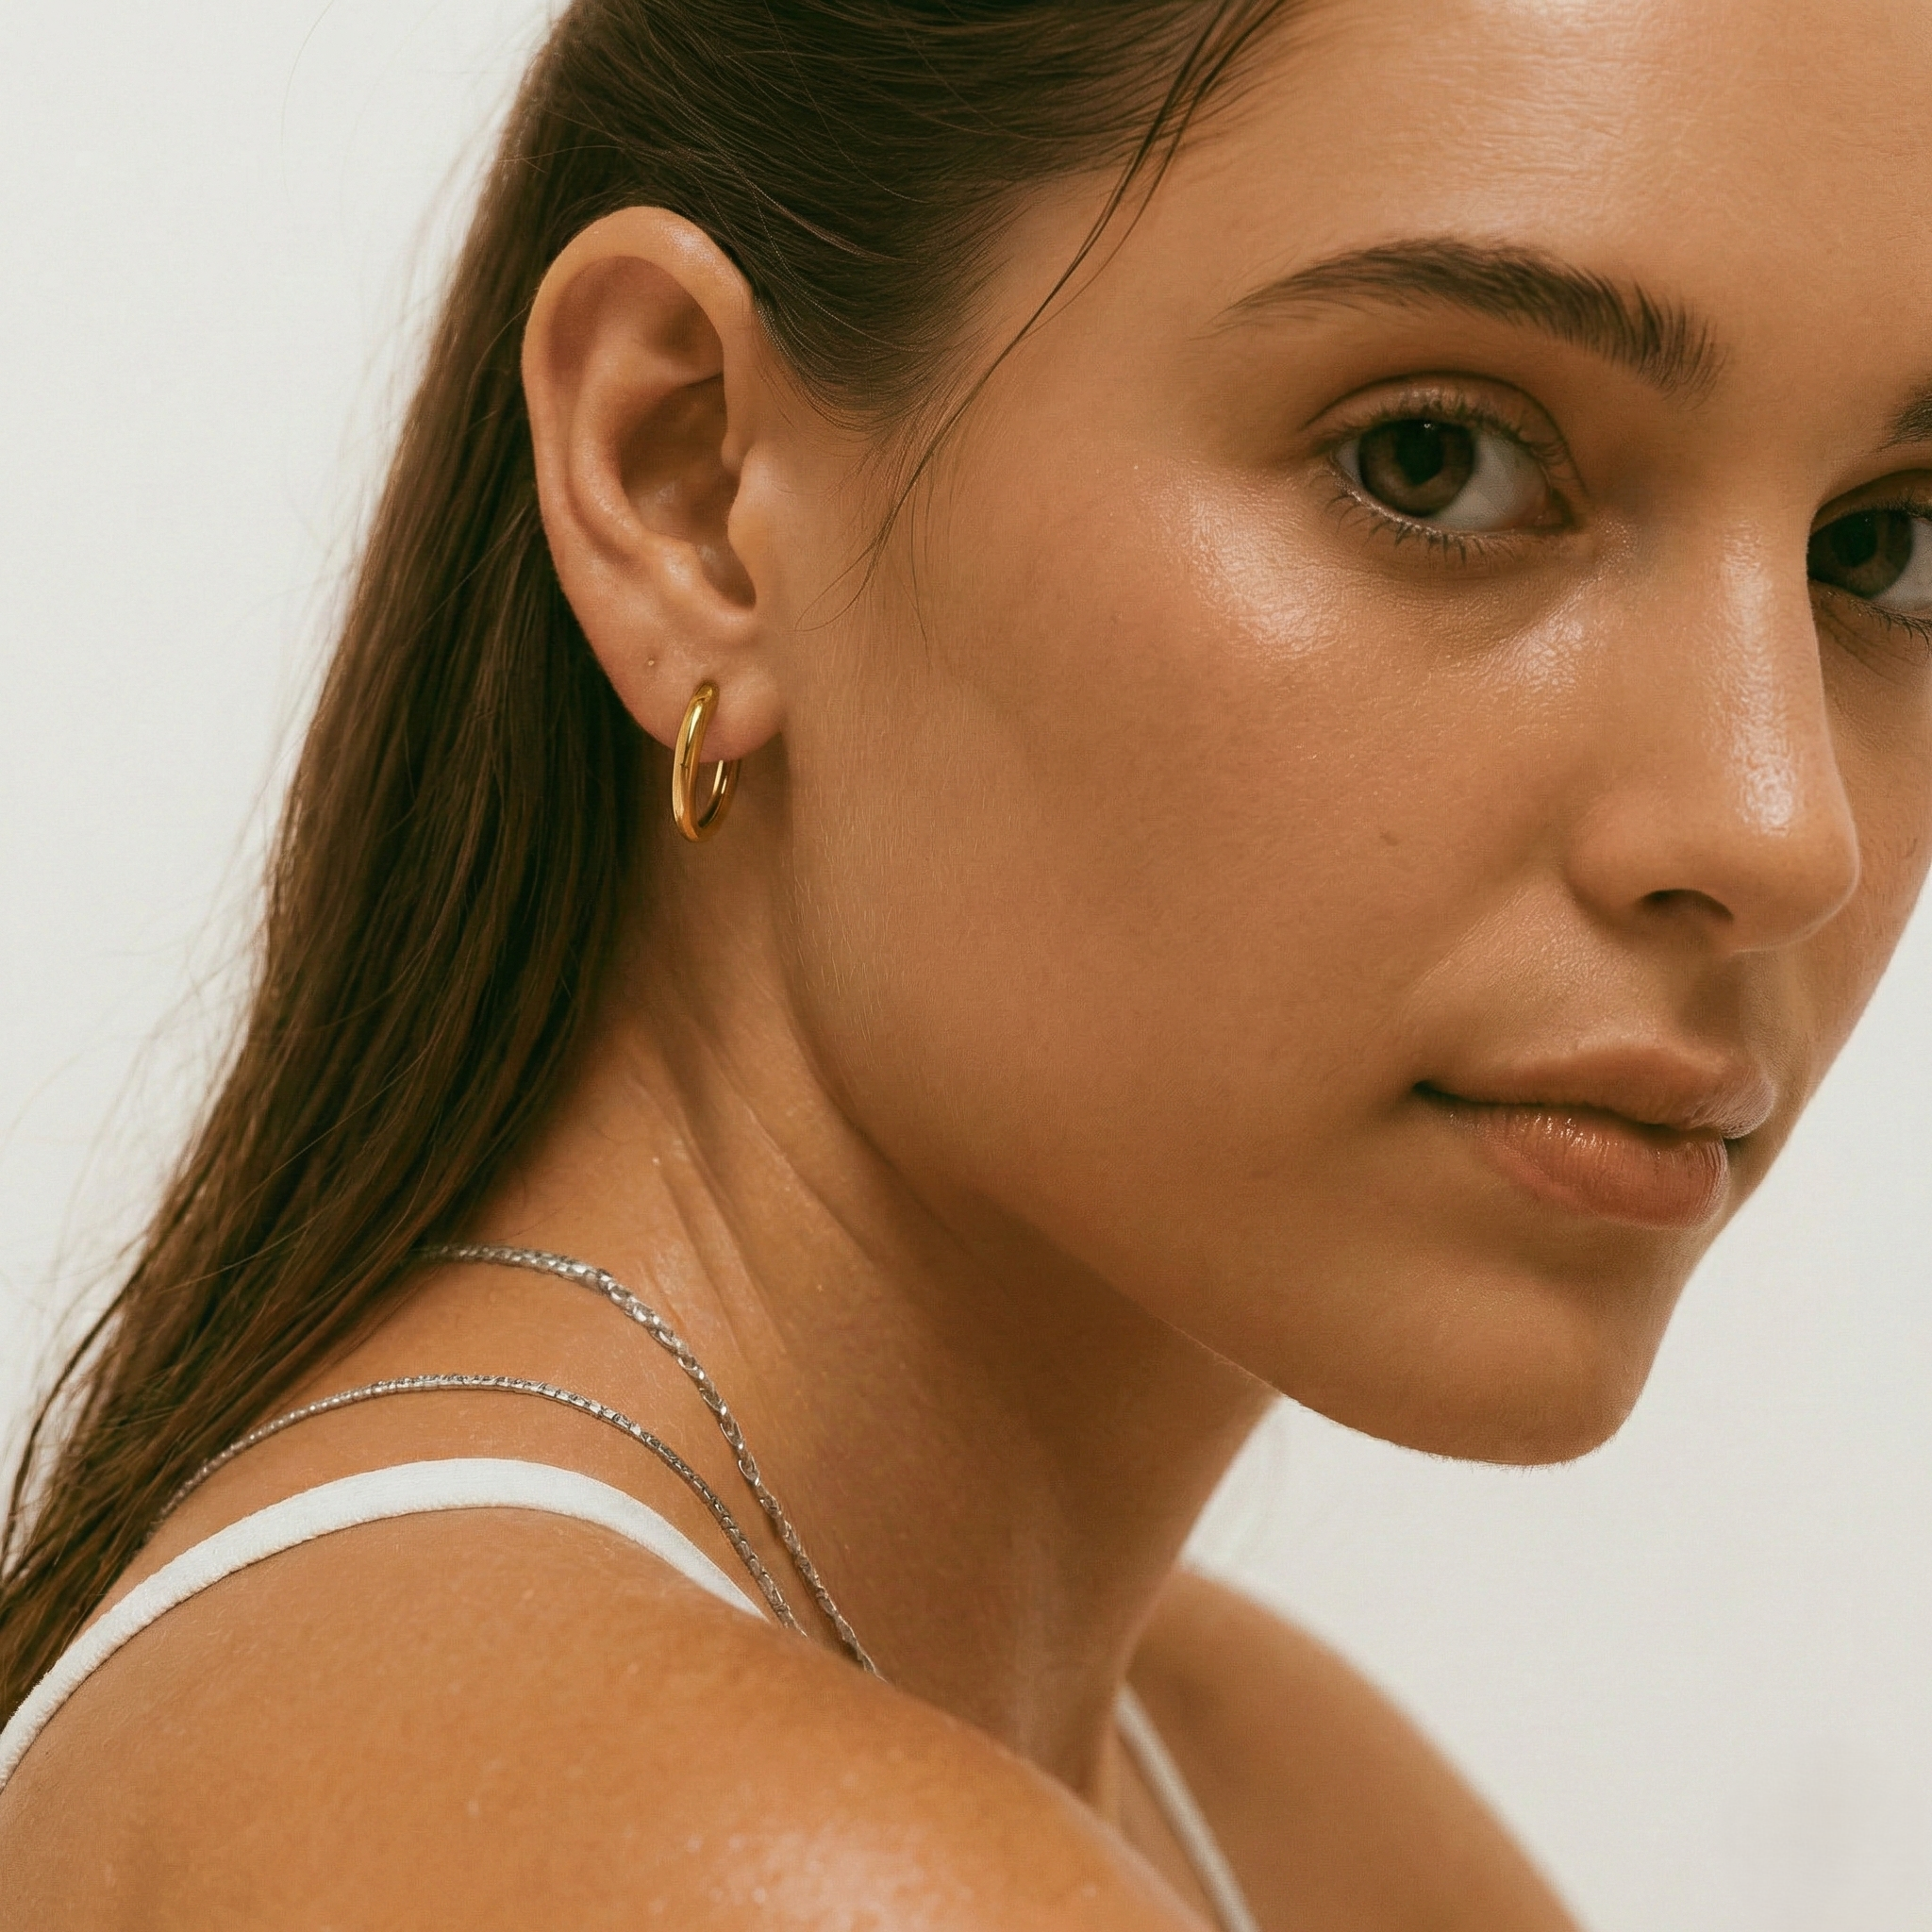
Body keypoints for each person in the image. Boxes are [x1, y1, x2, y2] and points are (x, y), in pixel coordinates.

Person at [3, 0, 1930, 1922]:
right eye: (1434, 461)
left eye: (1886, 551)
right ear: (689, 490)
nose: (1775, 830)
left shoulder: (1252, 1785)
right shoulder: (752, 1863)